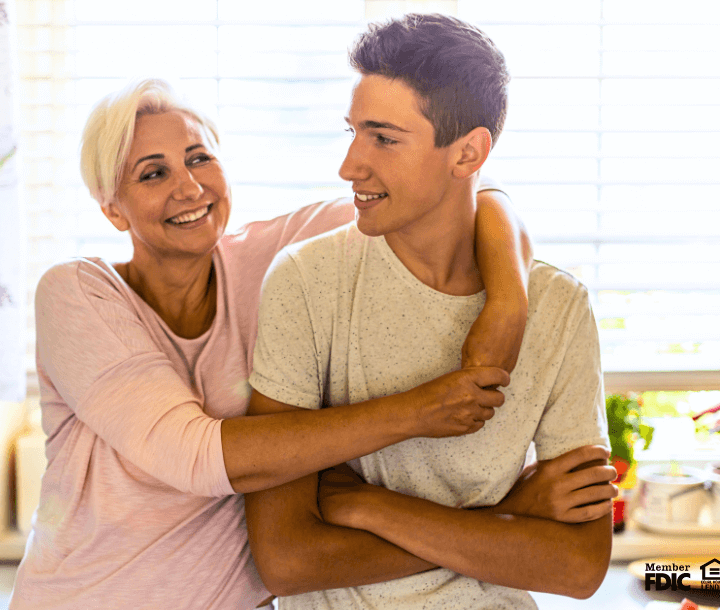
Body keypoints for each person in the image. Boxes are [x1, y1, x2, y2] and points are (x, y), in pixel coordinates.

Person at [8, 75, 542, 610]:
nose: (189, 188)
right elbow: (192, 456)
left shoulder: (275, 260)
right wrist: (425, 424)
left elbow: (454, 192)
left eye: (199, 158)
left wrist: (508, 304)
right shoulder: (78, 292)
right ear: (113, 209)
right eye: (153, 173)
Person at [245, 13, 615, 610]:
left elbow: (577, 566)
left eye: (384, 139)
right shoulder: (307, 281)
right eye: (353, 132)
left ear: (468, 152)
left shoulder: (558, 306)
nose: (350, 166)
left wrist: (370, 506)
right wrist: (506, 518)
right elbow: (287, 561)